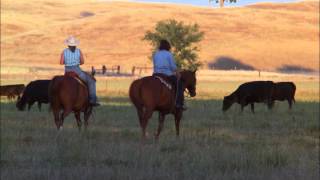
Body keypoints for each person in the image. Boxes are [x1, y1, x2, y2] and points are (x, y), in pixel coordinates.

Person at [60, 36, 100, 106]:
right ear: (75, 44)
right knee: (91, 81)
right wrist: (76, 62)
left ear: (68, 45)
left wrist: (67, 62)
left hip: (67, 71)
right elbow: (82, 62)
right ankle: (92, 99)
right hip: (77, 71)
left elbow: (61, 62)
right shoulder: (79, 51)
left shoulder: (64, 52)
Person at [152, 39, 185, 110]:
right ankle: (179, 103)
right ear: (168, 46)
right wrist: (177, 73)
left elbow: (154, 65)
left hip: (156, 74)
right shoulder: (169, 54)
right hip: (166, 74)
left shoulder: (156, 54)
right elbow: (172, 66)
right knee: (180, 85)